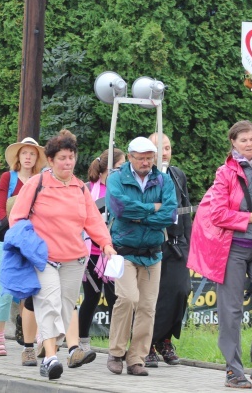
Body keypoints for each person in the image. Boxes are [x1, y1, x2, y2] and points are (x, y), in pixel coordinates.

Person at [187, 120, 252, 389]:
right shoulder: (225, 173)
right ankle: (233, 371)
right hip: (231, 250)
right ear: (233, 142)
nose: (249, 143)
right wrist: (249, 217)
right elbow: (218, 214)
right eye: (243, 140)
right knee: (230, 311)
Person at [9, 130, 116, 380]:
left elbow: (93, 220)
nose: (68, 163)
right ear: (50, 160)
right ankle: (49, 357)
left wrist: (107, 244)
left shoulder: (80, 188)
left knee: (66, 308)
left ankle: (54, 348)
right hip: (44, 257)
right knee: (49, 303)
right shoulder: (38, 184)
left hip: (75, 258)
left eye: (71, 157)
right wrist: (29, 245)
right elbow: (17, 217)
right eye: (62, 158)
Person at [105, 137, 177, 377]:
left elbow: (169, 214)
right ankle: (116, 352)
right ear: (130, 157)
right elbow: (120, 209)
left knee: (147, 307)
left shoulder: (163, 180)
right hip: (123, 250)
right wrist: (152, 208)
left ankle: (136, 358)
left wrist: (140, 215)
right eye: (141, 157)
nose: (145, 162)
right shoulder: (116, 178)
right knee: (127, 299)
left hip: (153, 254)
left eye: (149, 157)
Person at [0, 137, 47, 358]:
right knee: (4, 292)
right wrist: (16, 231)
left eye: (32, 154)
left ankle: (34, 339)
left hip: (33, 243)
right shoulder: (8, 177)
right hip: (9, 242)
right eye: (24, 153)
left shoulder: (42, 180)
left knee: (34, 294)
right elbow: (0, 210)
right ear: (18, 156)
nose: (27, 157)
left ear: (36, 158)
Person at [144, 133, 192, 367]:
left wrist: (189, 244)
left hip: (177, 245)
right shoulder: (144, 176)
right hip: (152, 244)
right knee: (154, 296)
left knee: (181, 291)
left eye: (167, 147)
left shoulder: (177, 175)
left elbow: (186, 210)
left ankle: (166, 339)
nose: (164, 153)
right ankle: (149, 343)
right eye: (158, 148)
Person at [77, 148, 125, 350]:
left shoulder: (122, 189)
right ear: (107, 169)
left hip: (114, 252)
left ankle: (116, 345)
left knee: (117, 299)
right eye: (120, 168)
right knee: (91, 298)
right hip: (92, 254)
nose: (123, 172)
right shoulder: (88, 189)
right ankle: (82, 340)